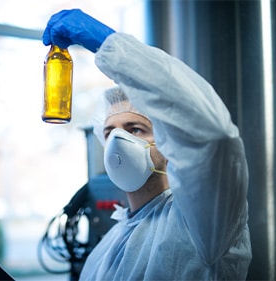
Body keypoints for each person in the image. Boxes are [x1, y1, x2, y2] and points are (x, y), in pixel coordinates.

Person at [42, 9, 252, 280]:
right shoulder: (108, 245)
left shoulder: (201, 225)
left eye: (135, 129)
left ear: (169, 143)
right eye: (109, 133)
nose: (118, 142)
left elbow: (212, 137)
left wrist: (109, 45)